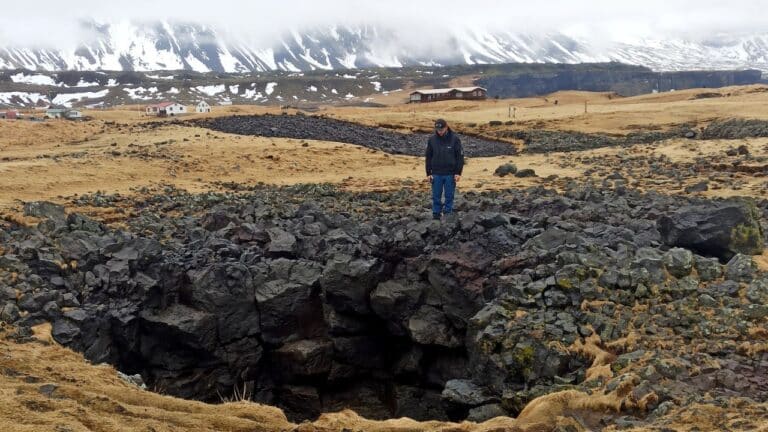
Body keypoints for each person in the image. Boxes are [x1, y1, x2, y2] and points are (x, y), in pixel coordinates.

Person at [425, 118, 464, 220]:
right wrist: (428, 173)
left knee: (449, 195)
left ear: (446, 127)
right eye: (438, 130)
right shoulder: (432, 140)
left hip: (450, 173)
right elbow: (428, 156)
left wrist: (458, 172)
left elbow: (460, 157)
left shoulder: (455, 139)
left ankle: (447, 213)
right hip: (436, 173)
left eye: (441, 130)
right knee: (436, 196)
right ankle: (436, 214)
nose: (440, 132)